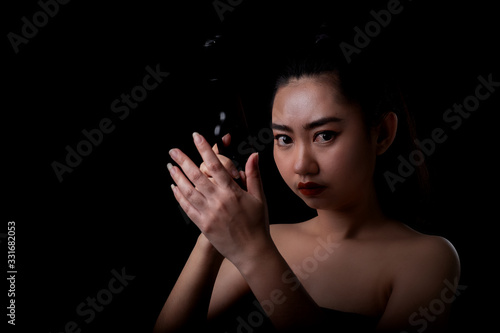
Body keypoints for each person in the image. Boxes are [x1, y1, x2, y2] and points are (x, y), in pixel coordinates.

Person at [154, 40, 461, 333]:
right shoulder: (266, 238)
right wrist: (212, 229)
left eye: (324, 135)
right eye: (284, 139)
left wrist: (253, 252)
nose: (302, 165)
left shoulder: (427, 259)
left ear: (381, 134)